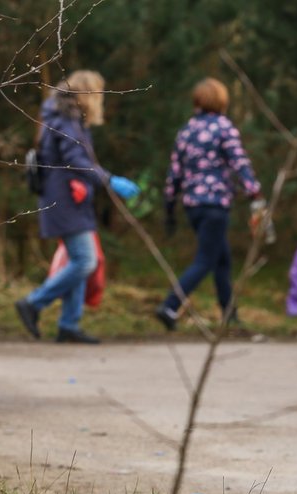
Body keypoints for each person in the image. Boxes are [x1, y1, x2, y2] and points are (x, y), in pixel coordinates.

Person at [14, 70, 140, 344]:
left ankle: (69, 324)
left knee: (78, 260)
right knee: (85, 260)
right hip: (65, 201)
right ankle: (34, 303)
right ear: (87, 95)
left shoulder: (62, 119)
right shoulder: (66, 122)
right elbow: (77, 162)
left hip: (68, 200)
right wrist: (110, 180)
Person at [155, 77, 264, 330]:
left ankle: (229, 314)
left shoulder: (186, 130)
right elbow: (240, 162)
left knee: (221, 259)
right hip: (215, 204)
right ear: (222, 101)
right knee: (205, 260)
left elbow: (174, 173)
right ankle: (170, 305)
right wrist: (254, 192)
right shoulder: (224, 128)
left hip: (193, 206)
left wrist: (169, 206)